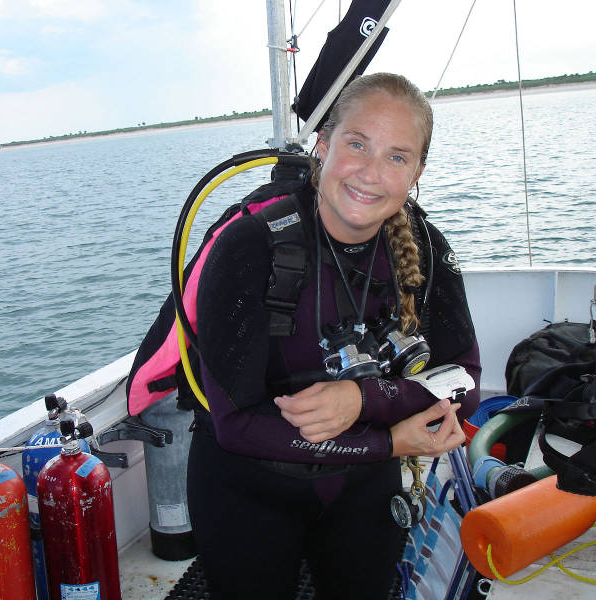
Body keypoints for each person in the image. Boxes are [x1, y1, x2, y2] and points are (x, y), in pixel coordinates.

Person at [187, 72, 481, 600]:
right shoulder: (251, 246)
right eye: (357, 144)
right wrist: (389, 440)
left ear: (416, 172)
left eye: (397, 156)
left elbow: (466, 378)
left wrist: (364, 397)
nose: (370, 173)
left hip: (361, 489)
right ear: (322, 144)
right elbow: (233, 425)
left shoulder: (425, 248)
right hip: (247, 490)